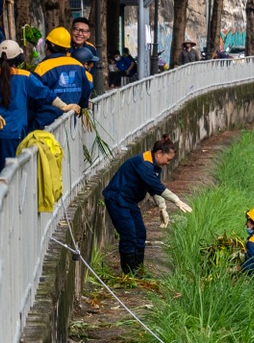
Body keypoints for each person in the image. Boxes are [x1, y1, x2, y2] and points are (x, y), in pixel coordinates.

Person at [101, 135, 190, 274]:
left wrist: (162, 207)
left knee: (140, 233)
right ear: (159, 153)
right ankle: (129, 273)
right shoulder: (144, 163)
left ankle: (138, 269)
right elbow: (156, 185)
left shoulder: (154, 165)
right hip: (118, 199)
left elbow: (153, 187)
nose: (168, 163)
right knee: (129, 234)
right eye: (168, 159)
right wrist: (176, 200)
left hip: (130, 201)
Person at [0, 40, 48, 179]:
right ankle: (10, 200)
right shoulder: (25, 77)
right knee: (11, 169)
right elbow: (45, 94)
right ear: (19, 58)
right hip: (12, 132)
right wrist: (64, 105)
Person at [29, 26, 94, 131]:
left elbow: (34, 97)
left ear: (48, 46)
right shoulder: (78, 66)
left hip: (45, 124)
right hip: (69, 122)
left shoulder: (42, 68)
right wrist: (82, 107)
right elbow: (85, 92)